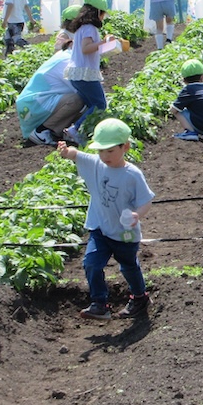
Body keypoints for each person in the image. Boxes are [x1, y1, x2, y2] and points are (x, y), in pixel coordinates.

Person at [56, 117, 155, 321]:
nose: (105, 155)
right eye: (101, 150)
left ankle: (139, 297)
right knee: (91, 263)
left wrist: (137, 214)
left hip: (124, 232)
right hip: (100, 227)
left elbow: (146, 200)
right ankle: (99, 304)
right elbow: (77, 155)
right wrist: (66, 152)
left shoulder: (132, 174)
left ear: (125, 147)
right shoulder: (95, 164)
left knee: (128, 266)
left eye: (110, 151)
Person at [16, 5, 85, 146]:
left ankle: (56, 131)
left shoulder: (69, 53)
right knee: (78, 99)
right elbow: (78, 85)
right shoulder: (66, 55)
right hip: (33, 105)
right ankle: (42, 131)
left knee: (81, 100)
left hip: (38, 101)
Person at [63, 0, 113, 142]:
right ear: (97, 12)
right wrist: (104, 42)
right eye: (103, 13)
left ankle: (85, 132)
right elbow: (86, 48)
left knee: (92, 104)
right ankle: (75, 130)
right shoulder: (90, 28)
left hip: (76, 73)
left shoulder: (81, 27)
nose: (103, 17)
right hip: (84, 73)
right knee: (100, 104)